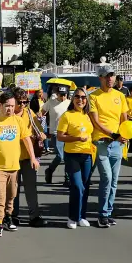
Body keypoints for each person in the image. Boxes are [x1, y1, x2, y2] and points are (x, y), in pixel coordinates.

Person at [0, 92, 39, 238]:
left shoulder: (18, 121)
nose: (10, 109)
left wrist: (33, 158)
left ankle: (8, 217)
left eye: (13, 106)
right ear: (0, 105)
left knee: (12, 196)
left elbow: (26, 139)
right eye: (7, 106)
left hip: (14, 166)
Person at [88, 65, 129, 228]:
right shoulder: (94, 97)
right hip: (101, 142)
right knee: (107, 178)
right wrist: (113, 134)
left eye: (112, 75)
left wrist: (124, 134)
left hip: (117, 144)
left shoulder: (120, 95)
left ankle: (109, 212)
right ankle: (102, 214)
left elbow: (124, 118)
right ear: (100, 78)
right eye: (107, 76)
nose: (110, 78)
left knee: (114, 181)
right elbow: (95, 121)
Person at [56, 88, 95, 229]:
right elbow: (60, 136)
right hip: (72, 155)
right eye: (77, 97)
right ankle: (72, 217)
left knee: (85, 187)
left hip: (87, 155)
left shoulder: (87, 115)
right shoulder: (67, 115)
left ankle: (81, 216)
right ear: (73, 99)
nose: (81, 100)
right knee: (77, 186)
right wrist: (77, 138)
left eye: (83, 97)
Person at [12, 88, 47, 227]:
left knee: (31, 187)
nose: (22, 105)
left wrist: (40, 136)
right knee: (13, 189)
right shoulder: (7, 114)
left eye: (25, 102)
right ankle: (12, 215)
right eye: (19, 102)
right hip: (12, 157)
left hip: (28, 156)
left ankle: (34, 216)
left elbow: (40, 131)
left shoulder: (29, 113)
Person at [42, 85, 70, 185]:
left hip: (68, 133)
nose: (63, 97)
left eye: (64, 95)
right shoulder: (51, 102)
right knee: (60, 156)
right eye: (61, 95)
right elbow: (42, 112)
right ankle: (49, 170)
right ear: (57, 94)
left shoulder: (69, 103)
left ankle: (67, 178)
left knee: (68, 156)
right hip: (55, 133)